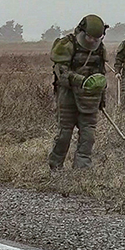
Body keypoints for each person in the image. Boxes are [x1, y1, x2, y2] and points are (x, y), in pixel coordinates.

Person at [48, 14, 108, 170]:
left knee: (88, 136)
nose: (93, 42)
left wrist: (101, 97)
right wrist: (81, 80)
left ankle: (81, 170)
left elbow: (101, 74)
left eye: (97, 38)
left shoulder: (100, 48)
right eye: (90, 37)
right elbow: (61, 72)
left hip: (90, 99)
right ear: (82, 31)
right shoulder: (67, 44)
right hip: (67, 95)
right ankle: (56, 166)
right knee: (64, 135)